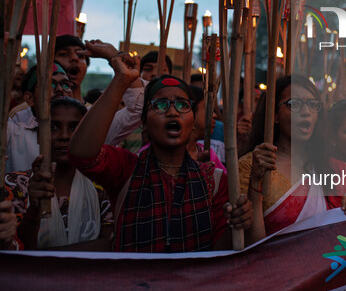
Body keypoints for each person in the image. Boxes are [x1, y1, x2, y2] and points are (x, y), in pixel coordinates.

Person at [68, 53, 255, 252]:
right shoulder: (125, 169)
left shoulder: (215, 181)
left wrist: (237, 222)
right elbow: (81, 153)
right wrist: (121, 79)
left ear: (192, 123)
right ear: (144, 123)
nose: (173, 112)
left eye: (183, 105)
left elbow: (219, 253)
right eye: (160, 104)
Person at [239, 75, 346, 238]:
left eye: (313, 104)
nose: (306, 112)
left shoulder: (338, 169)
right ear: (274, 115)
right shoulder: (251, 165)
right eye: (294, 104)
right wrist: (255, 183)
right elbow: (250, 246)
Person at [6, 97, 114, 250]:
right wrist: (34, 209)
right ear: (38, 135)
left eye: (75, 127)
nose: (65, 136)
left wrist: (45, 256)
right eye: (53, 127)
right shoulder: (14, 185)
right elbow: (16, 248)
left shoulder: (102, 187)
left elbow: (108, 245)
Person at [5, 63, 73, 172]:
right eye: (49, 85)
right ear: (30, 98)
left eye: (66, 85)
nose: (60, 89)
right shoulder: (13, 135)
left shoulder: (85, 133)